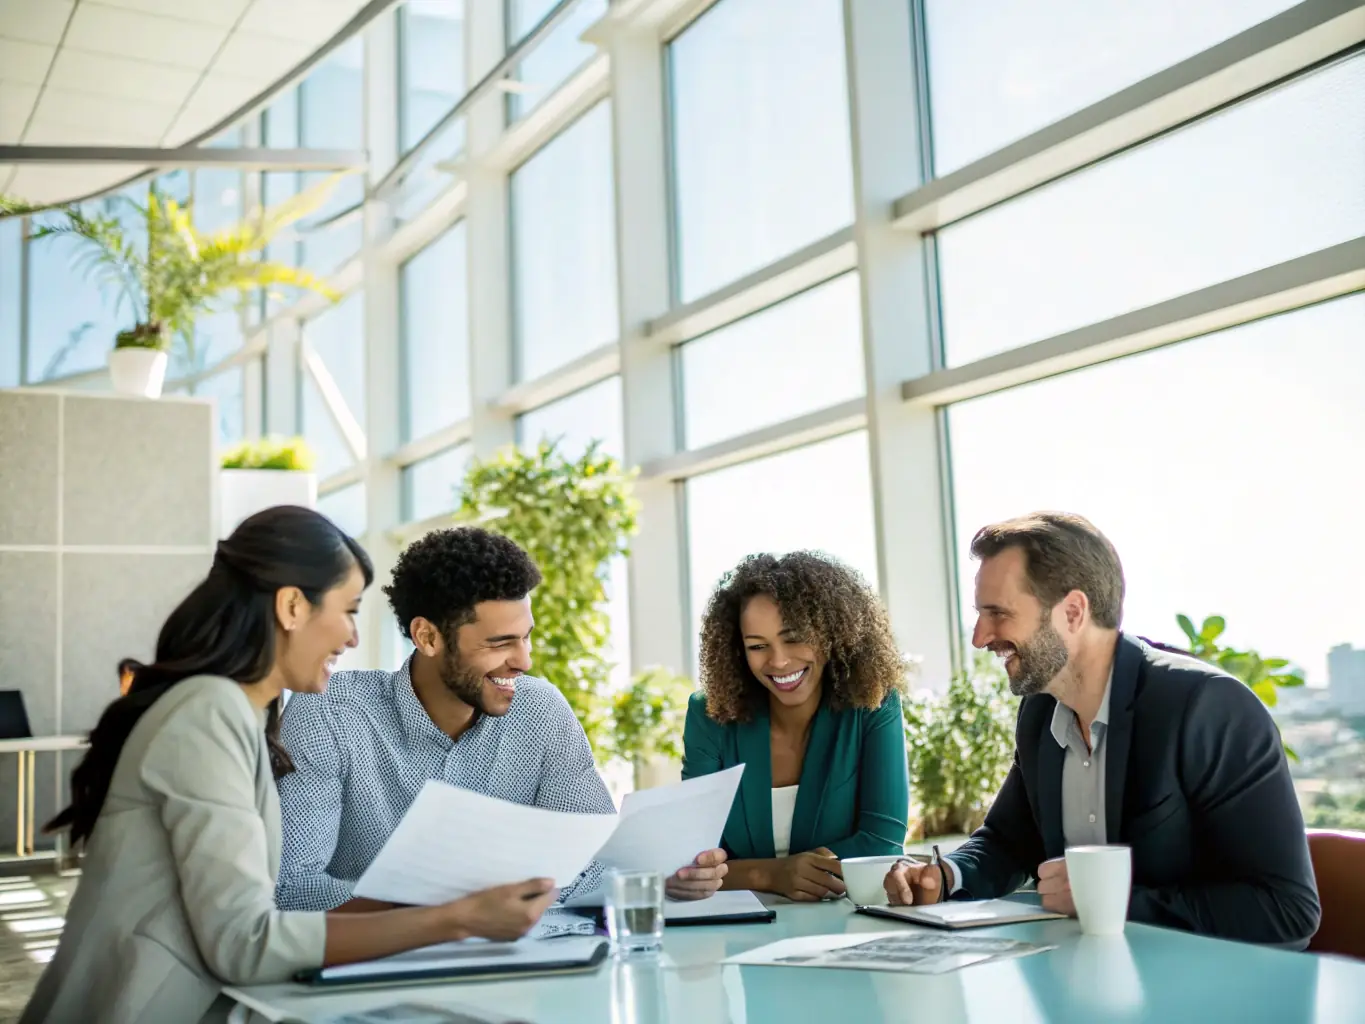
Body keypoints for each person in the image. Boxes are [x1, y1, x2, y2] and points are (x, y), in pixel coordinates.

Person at [22, 507, 559, 1024]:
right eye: (347, 611)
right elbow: (244, 942)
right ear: (292, 608)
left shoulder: (241, 715)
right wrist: (455, 917)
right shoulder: (209, 713)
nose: (352, 637)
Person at [883, 511, 1321, 947]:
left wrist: (1111, 901)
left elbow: (1286, 909)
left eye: (997, 613)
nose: (980, 637)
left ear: (1072, 612)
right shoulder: (1040, 711)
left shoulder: (1207, 708)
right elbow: (1009, 841)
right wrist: (944, 875)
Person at [275, 526, 726, 912]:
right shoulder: (328, 714)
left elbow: (593, 864)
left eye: (526, 638)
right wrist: (450, 910)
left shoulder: (540, 711)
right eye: (500, 643)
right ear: (427, 636)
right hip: (375, 977)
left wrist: (660, 878)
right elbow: (292, 888)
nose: (523, 661)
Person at [683, 551, 910, 902]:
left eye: (794, 638)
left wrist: (744, 872)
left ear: (832, 632)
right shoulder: (709, 715)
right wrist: (771, 874)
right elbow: (694, 858)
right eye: (758, 646)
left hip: (845, 925)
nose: (778, 661)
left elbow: (882, 841)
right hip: (737, 933)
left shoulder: (873, 703)